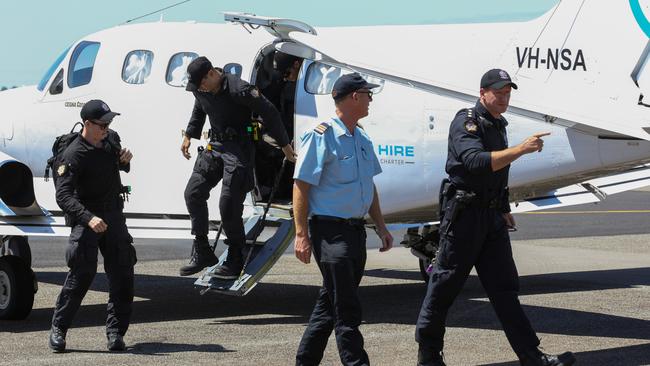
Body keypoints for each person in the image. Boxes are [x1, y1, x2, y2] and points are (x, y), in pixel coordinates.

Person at [414, 69, 576, 366]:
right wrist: (520, 150)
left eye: (507, 93)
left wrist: (503, 207)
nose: (504, 98)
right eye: (498, 92)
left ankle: (531, 356)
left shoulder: (498, 124)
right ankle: (428, 356)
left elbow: (499, 174)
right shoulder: (467, 122)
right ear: (483, 93)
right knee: (444, 287)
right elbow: (475, 163)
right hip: (464, 218)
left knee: (504, 290)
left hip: (491, 219)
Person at [293, 73, 394, 366]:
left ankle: (305, 361)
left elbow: (368, 186)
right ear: (354, 97)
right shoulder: (321, 135)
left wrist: (381, 226)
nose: (371, 100)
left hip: (355, 233)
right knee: (347, 309)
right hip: (330, 233)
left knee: (329, 305)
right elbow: (301, 185)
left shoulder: (361, 137)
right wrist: (302, 234)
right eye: (368, 94)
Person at [180, 56, 296, 278]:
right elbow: (200, 108)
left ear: (212, 74)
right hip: (215, 146)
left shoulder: (239, 89)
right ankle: (202, 249)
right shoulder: (201, 89)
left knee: (228, 204)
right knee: (193, 193)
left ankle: (235, 257)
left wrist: (285, 146)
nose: (200, 89)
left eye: (202, 84)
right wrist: (189, 135)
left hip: (239, 149)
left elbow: (270, 112)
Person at [49, 99, 136, 353]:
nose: (107, 128)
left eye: (109, 122)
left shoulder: (111, 141)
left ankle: (115, 334)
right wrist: (88, 218)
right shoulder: (73, 154)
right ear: (87, 124)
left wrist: (125, 160)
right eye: (102, 124)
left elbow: (118, 167)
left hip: (113, 215)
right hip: (88, 217)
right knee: (81, 276)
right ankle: (58, 330)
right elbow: (63, 195)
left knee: (123, 274)